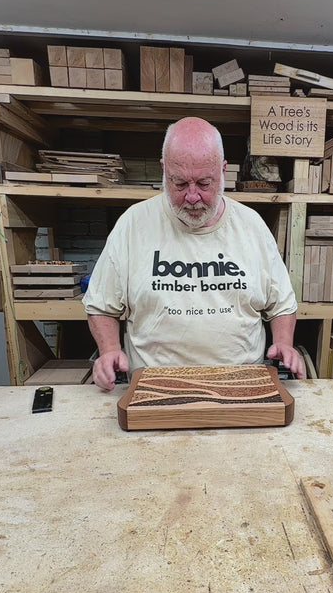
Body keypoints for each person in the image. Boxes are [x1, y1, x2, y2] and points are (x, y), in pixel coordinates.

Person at [83, 116, 304, 389]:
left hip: (239, 387)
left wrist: (283, 344)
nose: (191, 196)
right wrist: (109, 350)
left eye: (204, 184)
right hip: (155, 389)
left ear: (223, 171)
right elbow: (101, 305)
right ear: (164, 170)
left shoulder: (252, 227)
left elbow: (281, 304)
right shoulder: (133, 224)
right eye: (179, 184)